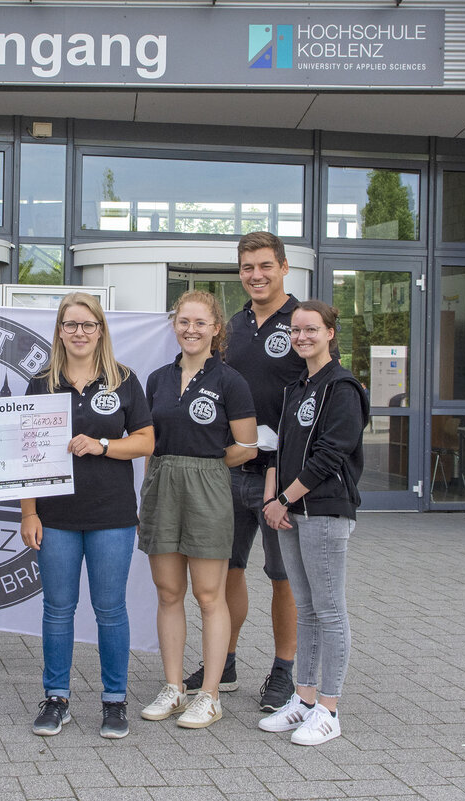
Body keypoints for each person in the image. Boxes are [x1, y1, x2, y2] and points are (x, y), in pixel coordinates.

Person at [22, 292, 154, 740]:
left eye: (88, 325)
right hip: (55, 517)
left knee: (110, 610)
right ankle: (56, 697)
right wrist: (28, 513)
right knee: (58, 610)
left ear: (101, 330)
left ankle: (114, 702)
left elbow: (145, 442)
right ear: (59, 331)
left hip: (111, 515)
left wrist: (101, 446)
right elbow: (27, 457)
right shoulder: (41, 383)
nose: (79, 333)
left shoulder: (124, 380)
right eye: (71, 324)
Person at [190, 230, 306, 714]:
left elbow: (318, 394)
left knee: (284, 576)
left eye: (264, 266)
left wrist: (292, 474)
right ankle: (228, 660)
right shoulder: (231, 326)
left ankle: (283, 669)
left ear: (283, 267)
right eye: (246, 268)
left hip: (280, 479)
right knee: (227, 570)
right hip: (229, 471)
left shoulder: (303, 322)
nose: (255, 275)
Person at [139, 291, 257, 730]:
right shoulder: (156, 379)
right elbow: (149, 441)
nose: (191, 329)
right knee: (168, 591)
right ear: (174, 325)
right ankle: (173, 686)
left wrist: (204, 465)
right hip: (161, 485)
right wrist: (151, 485)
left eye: (200, 322)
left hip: (209, 485)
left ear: (215, 329)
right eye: (184, 321)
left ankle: (209, 694)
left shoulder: (230, 381)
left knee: (210, 595)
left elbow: (246, 447)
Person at [259, 300, 368, 746]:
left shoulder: (342, 386)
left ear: (330, 334)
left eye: (310, 330)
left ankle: (328, 709)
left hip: (323, 509)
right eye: (295, 331)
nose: (301, 337)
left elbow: (330, 455)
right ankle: (302, 700)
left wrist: (283, 499)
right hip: (290, 512)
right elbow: (280, 451)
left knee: (330, 610)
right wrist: (273, 498)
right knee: (306, 609)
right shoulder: (297, 386)